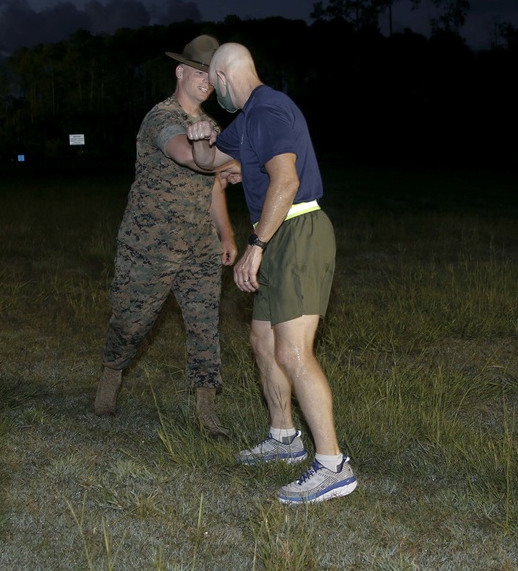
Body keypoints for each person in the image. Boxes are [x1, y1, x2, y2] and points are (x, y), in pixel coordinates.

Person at [185, 42, 357, 504]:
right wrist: (203, 137)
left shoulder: (268, 110)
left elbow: (288, 181)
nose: (213, 92)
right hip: (278, 233)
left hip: (297, 230)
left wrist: (255, 247)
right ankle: (284, 439)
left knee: (294, 352)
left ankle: (332, 465)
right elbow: (208, 164)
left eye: (212, 81)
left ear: (222, 77)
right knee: (263, 342)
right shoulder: (245, 119)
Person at [94, 35, 240, 437]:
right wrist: (233, 155)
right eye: (198, 73)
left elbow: (214, 185)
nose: (205, 82)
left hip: (199, 246)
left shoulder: (211, 126)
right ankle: (110, 378)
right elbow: (184, 154)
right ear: (180, 71)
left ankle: (207, 412)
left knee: (205, 325)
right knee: (131, 322)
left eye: (211, 76)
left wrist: (226, 234)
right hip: (150, 244)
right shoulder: (162, 117)